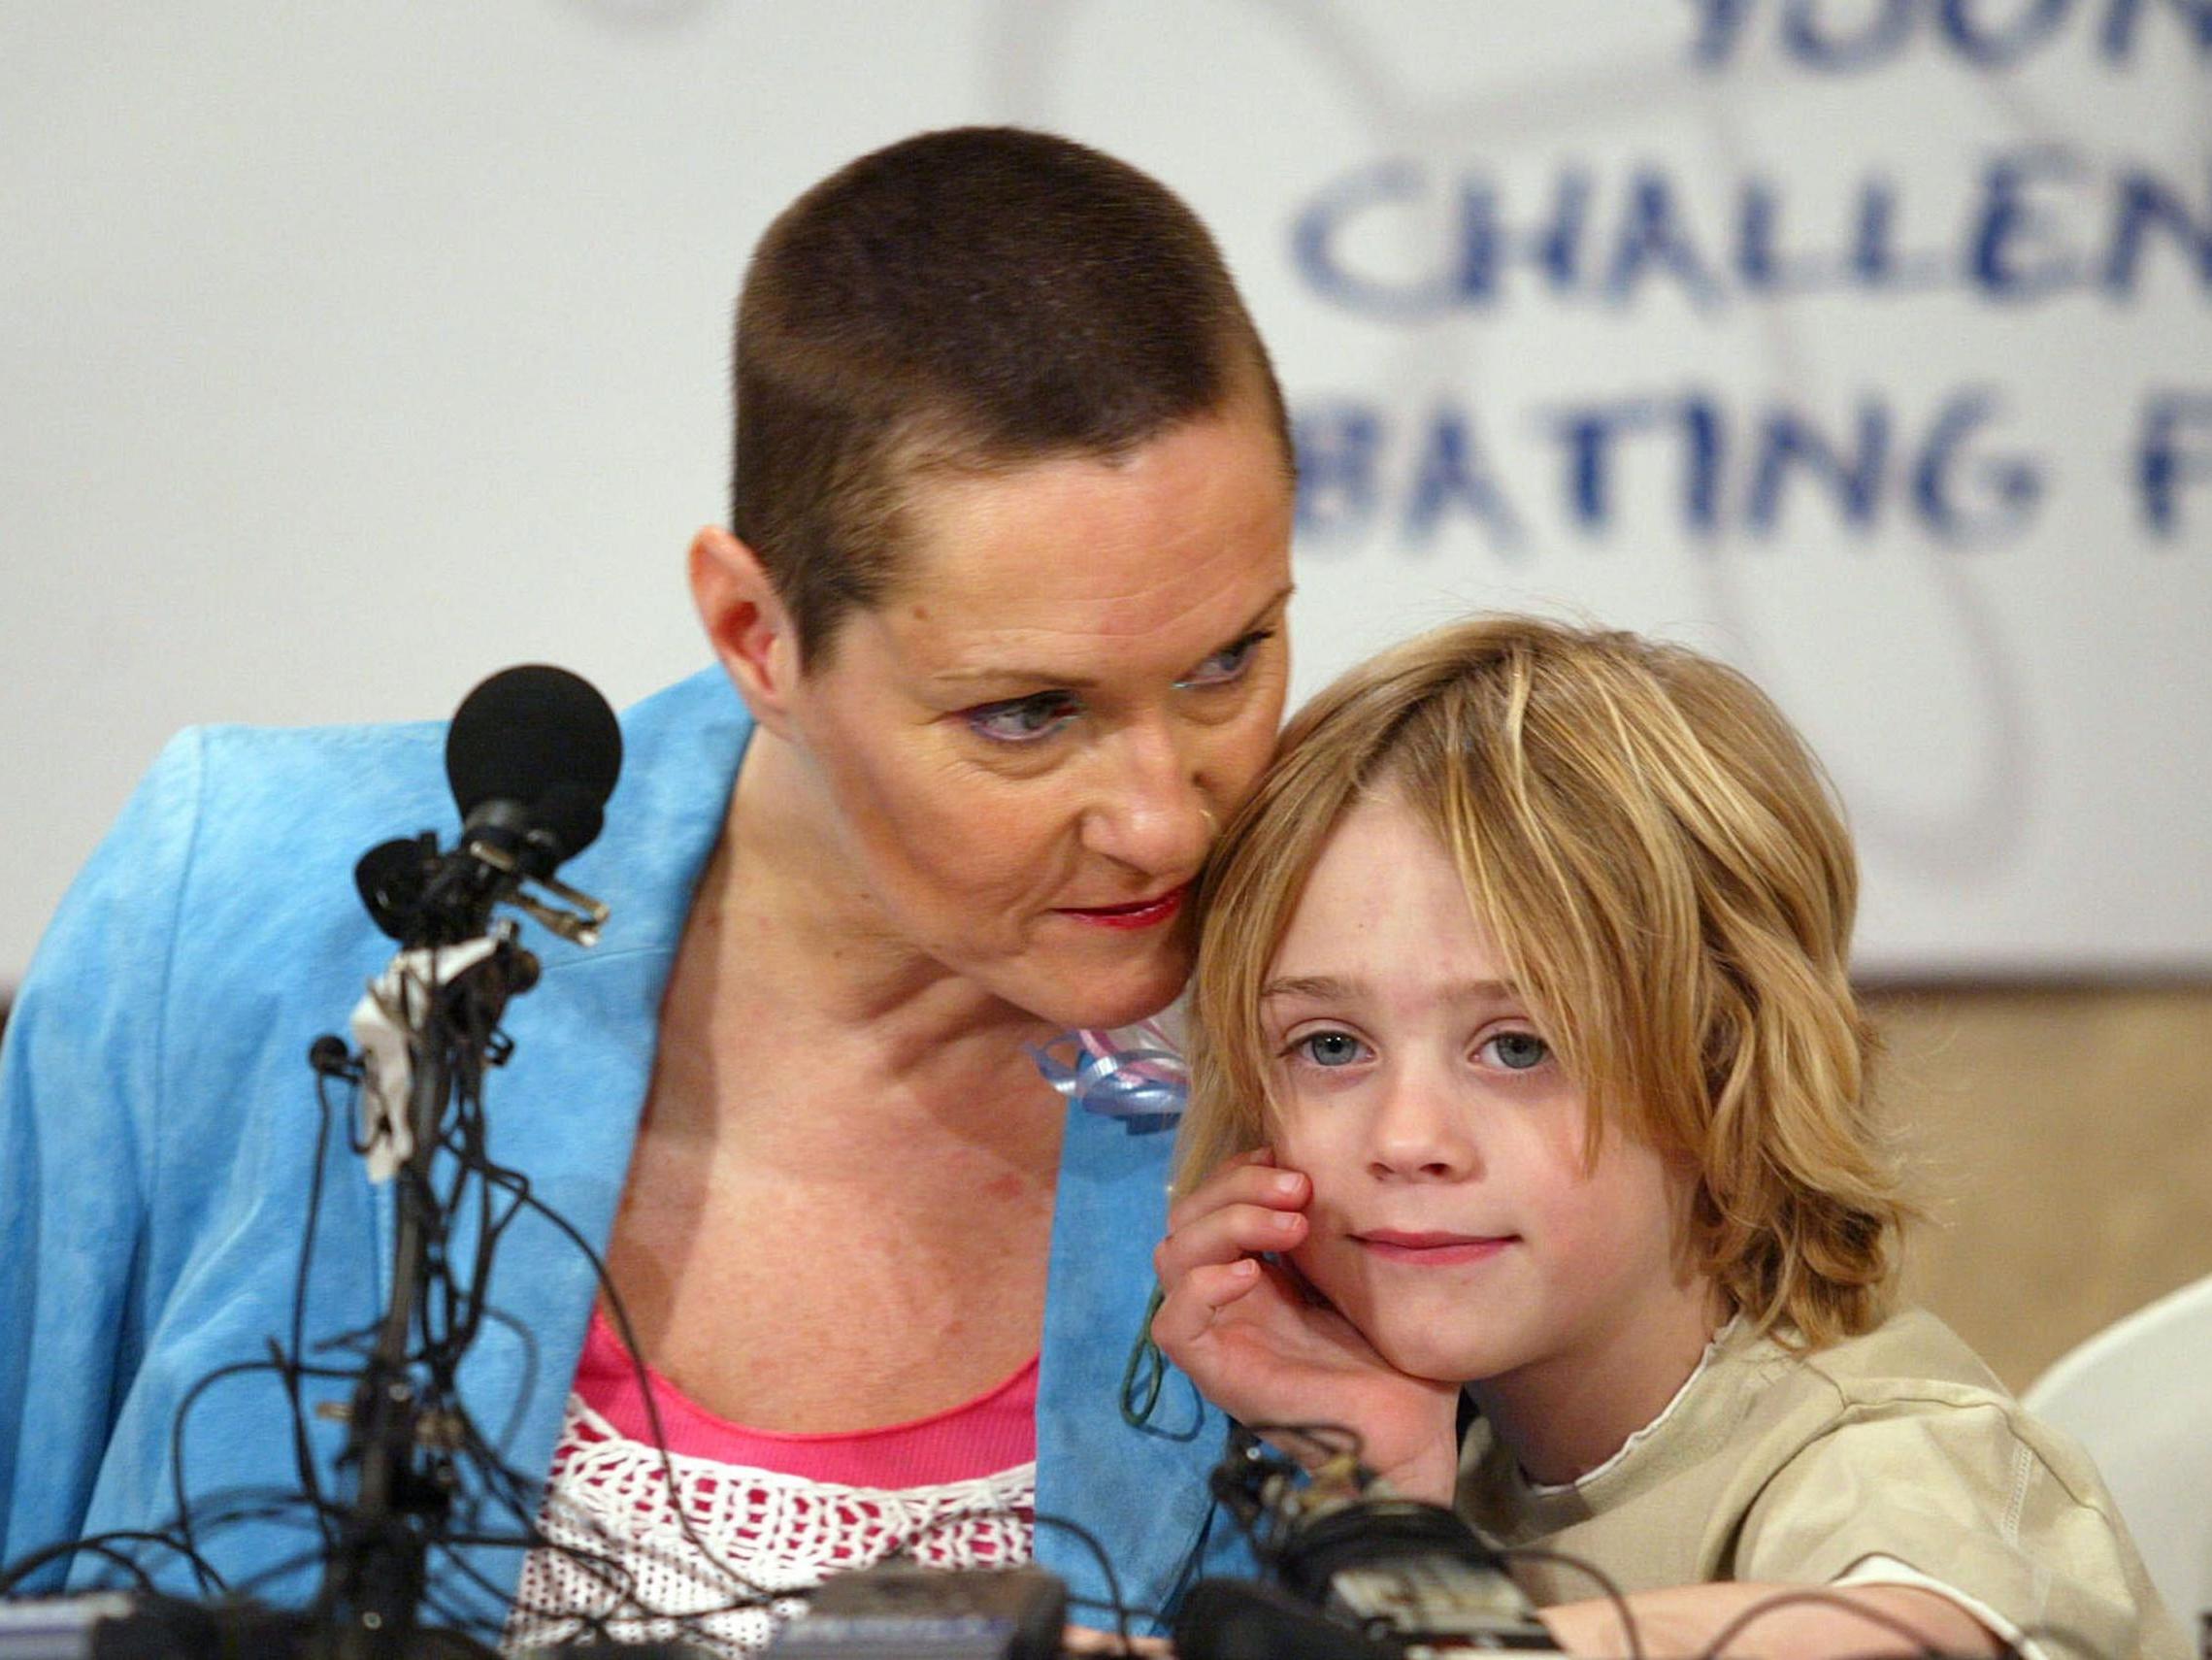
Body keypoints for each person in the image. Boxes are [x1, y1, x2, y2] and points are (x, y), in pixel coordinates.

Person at [0, 127, 1294, 1649]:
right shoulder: (238, 901)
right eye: (1025, 714)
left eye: (1227, 661)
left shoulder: (1343, 1040)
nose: (1160, 820)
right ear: (758, 632)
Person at [1150, 615, 2184, 1660]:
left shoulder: (1895, 1449)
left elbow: (1904, 1636)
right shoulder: (1456, 1461)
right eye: (1328, 1046)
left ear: (1726, 1068)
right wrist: (1384, 1493)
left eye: (1517, 1049)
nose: (1405, 1138)